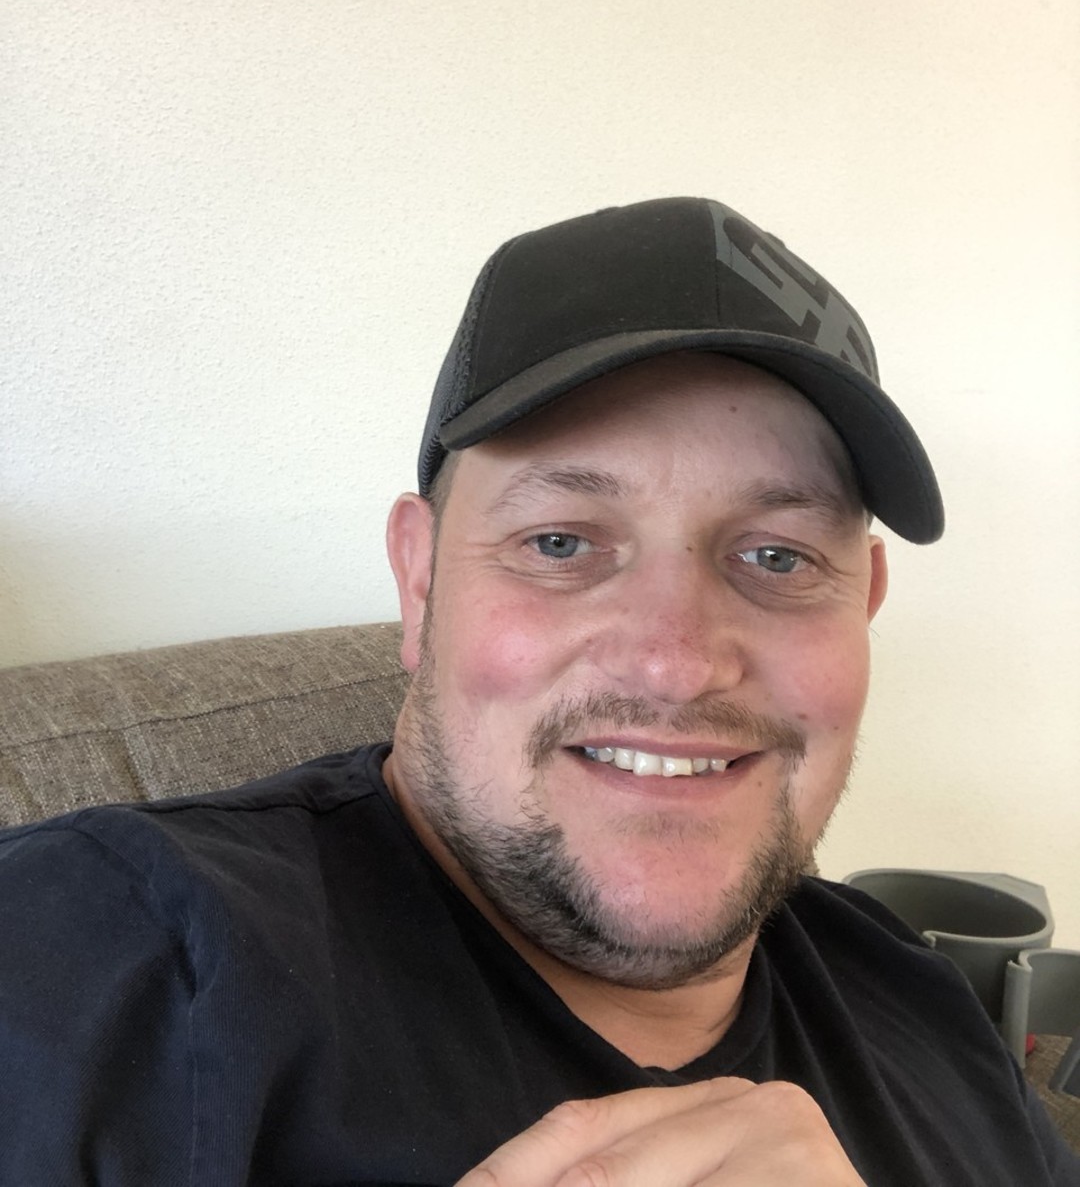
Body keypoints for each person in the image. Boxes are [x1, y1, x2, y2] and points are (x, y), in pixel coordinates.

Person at [0, 196, 1075, 1185]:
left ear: (865, 602)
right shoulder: (106, 946)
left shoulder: (919, 998)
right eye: (561, 541)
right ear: (421, 581)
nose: (675, 662)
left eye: (777, 557)